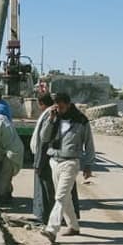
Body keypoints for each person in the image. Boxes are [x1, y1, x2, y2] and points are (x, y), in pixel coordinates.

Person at [39, 92, 95, 242]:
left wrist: (88, 165)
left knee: (60, 196)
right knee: (65, 197)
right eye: (58, 106)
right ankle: (74, 226)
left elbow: (89, 144)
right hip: (54, 161)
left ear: (69, 105)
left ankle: (52, 229)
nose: (60, 109)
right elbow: (44, 138)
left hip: (70, 162)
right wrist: (50, 120)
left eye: (62, 106)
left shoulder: (81, 121)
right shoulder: (54, 118)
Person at [30, 93, 80, 224]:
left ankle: (53, 220)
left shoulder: (54, 117)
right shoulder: (51, 115)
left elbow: (45, 142)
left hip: (52, 159)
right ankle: (65, 221)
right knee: (61, 192)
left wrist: (39, 163)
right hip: (54, 159)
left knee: (53, 192)